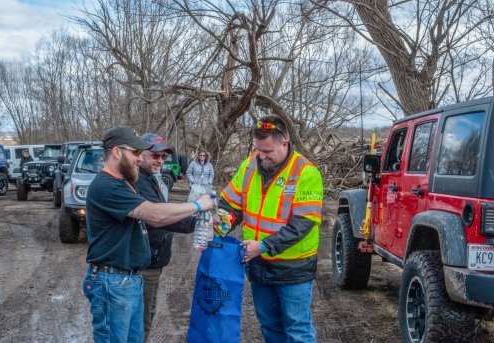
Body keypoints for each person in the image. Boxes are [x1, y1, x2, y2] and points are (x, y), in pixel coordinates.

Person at [83, 126, 213, 343]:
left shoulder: (123, 184)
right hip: (112, 282)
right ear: (117, 152)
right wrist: (198, 206)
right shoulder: (106, 186)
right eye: (135, 152)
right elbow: (154, 214)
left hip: (129, 280)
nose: (138, 158)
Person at [218, 115, 324, 343]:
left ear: (284, 142)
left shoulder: (306, 173)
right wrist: (219, 224)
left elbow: (302, 224)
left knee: (298, 331)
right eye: (258, 150)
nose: (261, 157)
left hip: (293, 269)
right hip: (258, 267)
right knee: (269, 327)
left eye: (268, 152)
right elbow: (230, 205)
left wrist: (264, 246)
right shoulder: (249, 166)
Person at [135, 133, 196, 342]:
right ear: (139, 154)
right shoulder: (137, 180)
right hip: (143, 265)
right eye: (155, 155)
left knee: (147, 315)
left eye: (162, 157)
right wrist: (196, 217)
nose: (160, 160)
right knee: (140, 321)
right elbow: (160, 217)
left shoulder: (151, 178)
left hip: (153, 262)